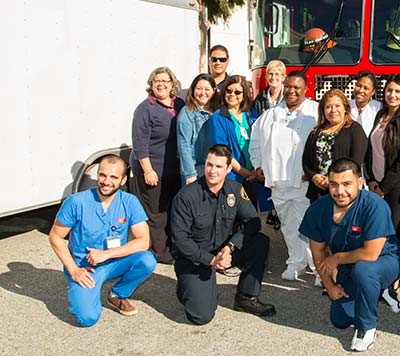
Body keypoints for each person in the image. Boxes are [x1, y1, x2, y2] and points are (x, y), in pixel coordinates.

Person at [299, 159, 400, 352]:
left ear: (360, 182)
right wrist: (329, 286)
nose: (340, 191)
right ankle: (377, 291)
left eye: (346, 184)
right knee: (340, 319)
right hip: (350, 264)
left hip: (385, 259)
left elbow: (371, 254)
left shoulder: (374, 206)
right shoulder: (318, 210)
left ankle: (367, 327)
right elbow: (318, 253)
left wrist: (336, 258)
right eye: (333, 184)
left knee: (365, 270)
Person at [169, 145, 275, 324]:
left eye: (219, 167)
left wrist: (231, 246)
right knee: (201, 316)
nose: (212, 171)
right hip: (194, 258)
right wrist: (211, 261)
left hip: (223, 250)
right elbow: (180, 240)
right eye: (209, 165)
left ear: (228, 169)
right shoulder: (186, 196)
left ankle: (245, 298)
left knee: (260, 242)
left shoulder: (235, 189)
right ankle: (186, 288)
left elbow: (253, 221)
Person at [49, 155, 156, 327]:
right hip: (85, 268)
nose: (106, 181)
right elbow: (55, 236)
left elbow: (143, 241)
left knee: (147, 260)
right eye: (102, 175)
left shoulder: (130, 202)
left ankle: (117, 294)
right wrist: (74, 270)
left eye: (113, 177)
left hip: (114, 261)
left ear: (123, 180)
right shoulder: (76, 202)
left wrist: (106, 254)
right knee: (87, 318)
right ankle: (81, 291)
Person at [250, 71, 320, 284]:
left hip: (303, 181)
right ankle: (296, 261)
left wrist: (315, 171)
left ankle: (318, 268)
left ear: (305, 89)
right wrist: (258, 165)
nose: (291, 91)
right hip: (277, 181)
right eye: (288, 86)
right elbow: (255, 141)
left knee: (310, 226)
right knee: (288, 226)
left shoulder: (315, 112)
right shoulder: (271, 114)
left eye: (296, 87)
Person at [130, 66, 184, 264]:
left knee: (171, 211)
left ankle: (172, 247)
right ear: (151, 85)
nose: (160, 84)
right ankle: (160, 252)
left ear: (172, 84)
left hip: (173, 170)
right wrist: (148, 170)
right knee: (156, 214)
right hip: (153, 171)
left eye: (165, 81)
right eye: (156, 81)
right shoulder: (145, 109)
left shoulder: (179, 104)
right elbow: (139, 144)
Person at [364, 75, 400, 252]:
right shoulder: (380, 115)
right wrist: (370, 179)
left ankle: (394, 275)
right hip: (376, 183)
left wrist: (384, 187)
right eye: (389, 90)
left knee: (393, 231)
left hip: (396, 187)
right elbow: (370, 149)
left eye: (397, 91)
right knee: (377, 229)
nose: (392, 95)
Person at [303, 89, 368, 203]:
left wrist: (333, 179)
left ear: (345, 108)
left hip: (344, 192)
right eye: (328, 107)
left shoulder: (355, 129)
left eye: (337, 106)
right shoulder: (316, 132)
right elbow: (306, 159)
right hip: (319, 192)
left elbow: (356, 161)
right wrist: (313, 176)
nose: (333, 110)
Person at [251, 60, 287, 229]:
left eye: (277, 74)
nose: (274, 78)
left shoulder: (288, 97)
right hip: (266, 145)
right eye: (271, 74)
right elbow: (255, 125)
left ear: (283, 77)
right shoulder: (259, 100)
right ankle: (272, 212)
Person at [177, 73, 218, 185]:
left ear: (214, 90)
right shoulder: (187, 112)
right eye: (199, 89)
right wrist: (190, 174)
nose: (202, 93)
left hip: (215, 169)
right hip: (195, 169)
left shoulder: (218, 111)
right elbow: (184, 145)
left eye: (207, 89)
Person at [350, 70, 382, 136]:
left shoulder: (379, 108)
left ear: (372, 92)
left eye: (366, 88)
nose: (361, 90)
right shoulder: (346, 106)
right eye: (358, 85)